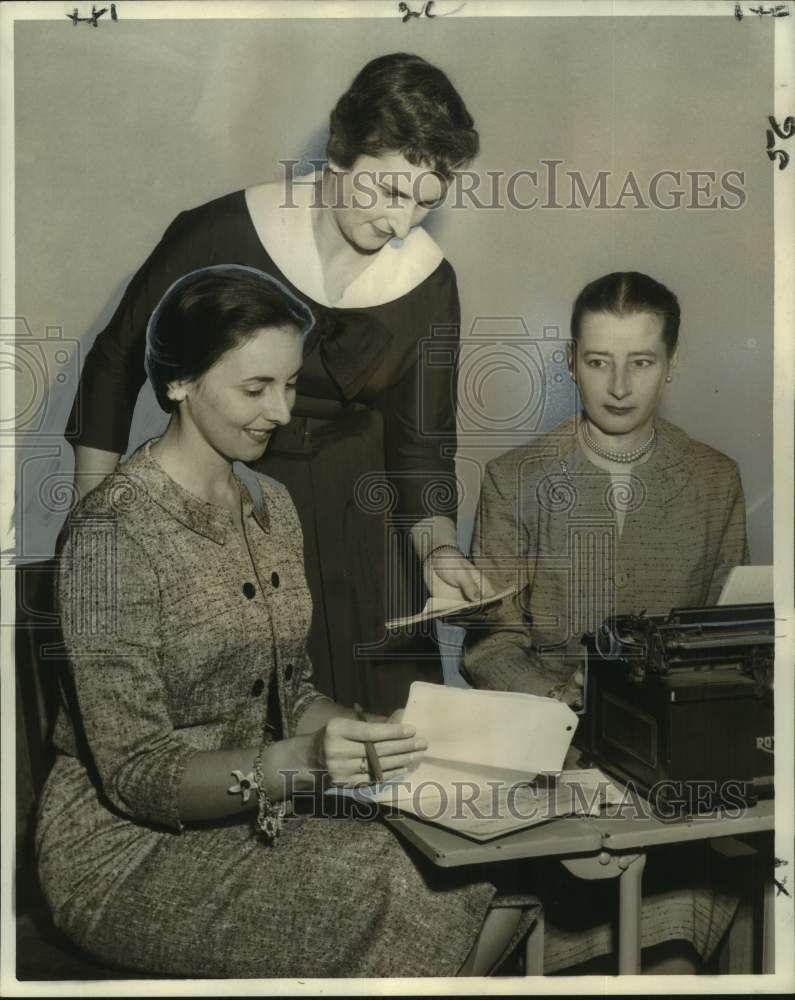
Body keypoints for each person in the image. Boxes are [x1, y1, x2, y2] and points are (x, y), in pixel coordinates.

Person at [36, 268, 535, 979]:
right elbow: (134, 774)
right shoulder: (111, 534)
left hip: (255, 812)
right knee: (411, 884)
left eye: (291, 384)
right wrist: (301, 762)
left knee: (491, 861)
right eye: (254, 388)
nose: (281, 410)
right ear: (179, 382)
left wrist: (377, 735)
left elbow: (289, 689)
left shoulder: (271, 502)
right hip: (122, 851)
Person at [64, 52, 488, 716]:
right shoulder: (220, 232)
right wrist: (89, 530)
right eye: (389, 193)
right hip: (231, 513)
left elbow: (421, 448)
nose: (401, 225)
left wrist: (436, 551)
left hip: (366, 535)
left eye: (426, 203)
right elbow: (114, 364)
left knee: (378, 748)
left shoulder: (430, 283)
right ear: (340, 155)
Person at [462, 271, 749, 973]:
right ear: (569, 363)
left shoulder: (715, 480)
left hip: (674, 764)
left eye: (640, 362)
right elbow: (487, 645)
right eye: (598, 362)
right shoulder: (513, 477)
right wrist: (561, 704)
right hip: (550, 758)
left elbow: (724, 638)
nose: (618, 385)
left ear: (669, 365)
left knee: (674, 950)